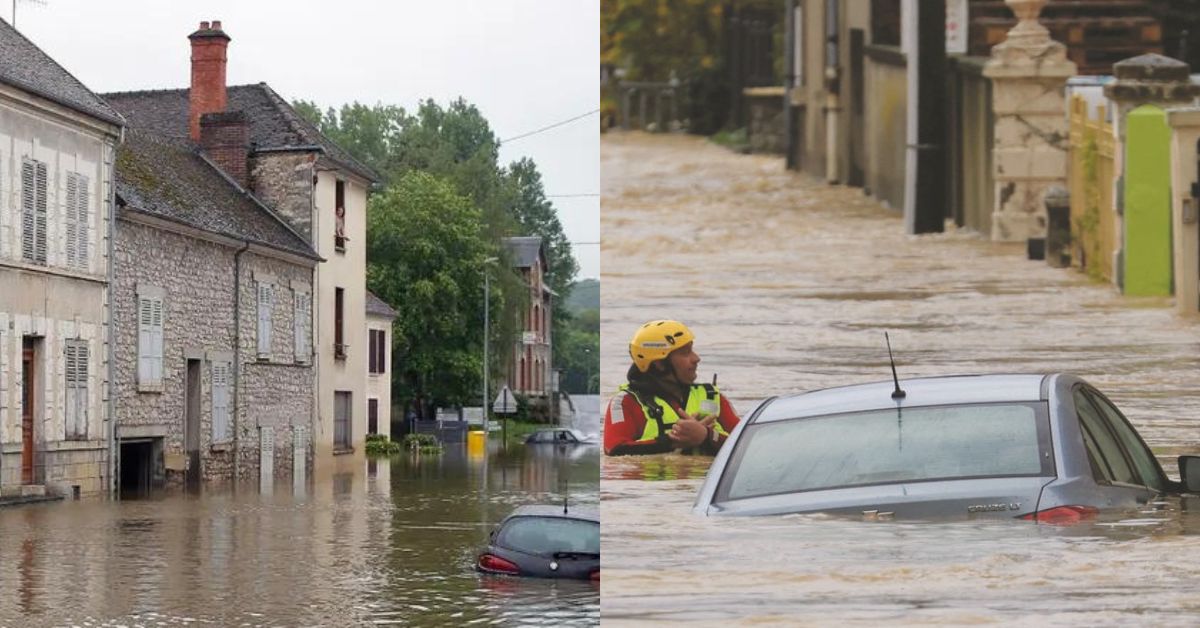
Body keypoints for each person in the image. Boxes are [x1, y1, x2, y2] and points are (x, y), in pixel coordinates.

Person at [604, 320, 740, 455]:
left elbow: (745, 444)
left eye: (692, 350)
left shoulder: (712, 397)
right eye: (685, 353)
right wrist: (673, 440)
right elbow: (614, 449)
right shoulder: (625, 402)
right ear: (659, 364)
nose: (696, 358)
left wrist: (707, 436)